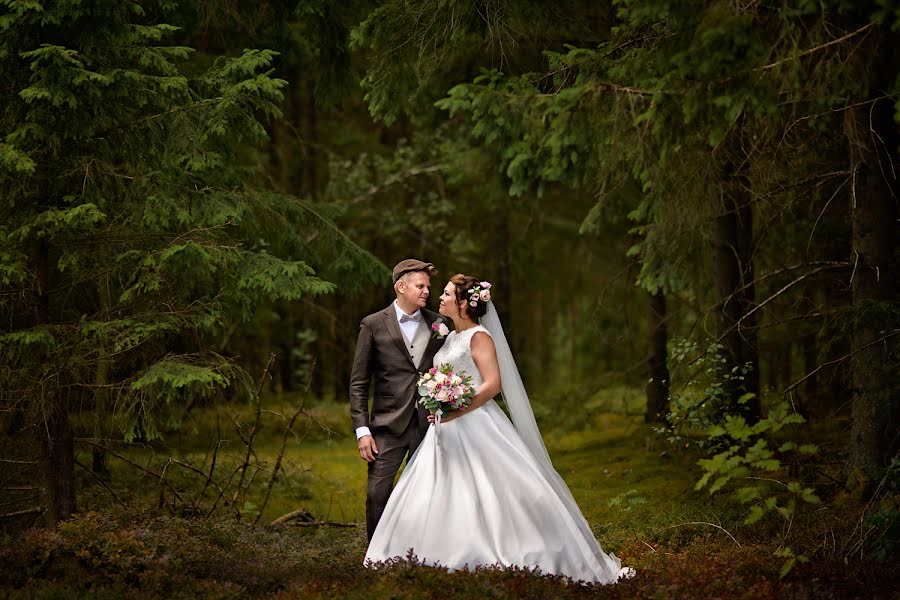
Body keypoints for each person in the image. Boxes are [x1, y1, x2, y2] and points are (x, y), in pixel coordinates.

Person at [363, 274, 634, 584]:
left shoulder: (480, 337)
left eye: (447, 293)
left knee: (493, 489)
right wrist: (441, 403)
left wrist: (455, 408)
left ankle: (499, 551)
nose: (440, 297)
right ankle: (432, 553)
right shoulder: (450, 337)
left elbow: (492, 385)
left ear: (463, 303)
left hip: (477, 422)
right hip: (444, 427)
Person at [349, 259, 448, 541]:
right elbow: (359, 382)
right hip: (387, 426)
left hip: (429, 424)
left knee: (427, 492)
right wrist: (362, 430)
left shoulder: (440, 324)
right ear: (401, 287)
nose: (427, 291)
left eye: (428, 286)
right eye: (421, 285)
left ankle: (421, 553)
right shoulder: (373, 324)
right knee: (377, 493)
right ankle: (377, 557)